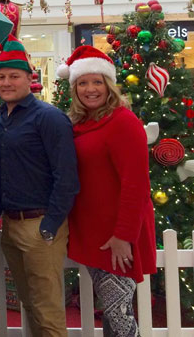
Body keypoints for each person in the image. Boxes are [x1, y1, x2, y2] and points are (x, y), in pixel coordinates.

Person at [57, 46, 157, 336]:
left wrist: (123, 236)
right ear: (75, 88)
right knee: (113, 316)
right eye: (83, 83)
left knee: (120, 317)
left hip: (116, 237)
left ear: (108, 85)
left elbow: (136, 184)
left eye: (97, 82)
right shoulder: (80, 123)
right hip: (93, 232)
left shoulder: (123, 122)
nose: (90, 89)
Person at [0, 35, 79, 337]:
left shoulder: (49, 118)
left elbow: (67, 176)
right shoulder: (0, 120)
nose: (6, 82)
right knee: (29, 305)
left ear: (29, 78)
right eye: (1, 77)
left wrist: (51, 224)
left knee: (48, 311)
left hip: (40, 224)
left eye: (13, 76)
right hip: (11, 225)